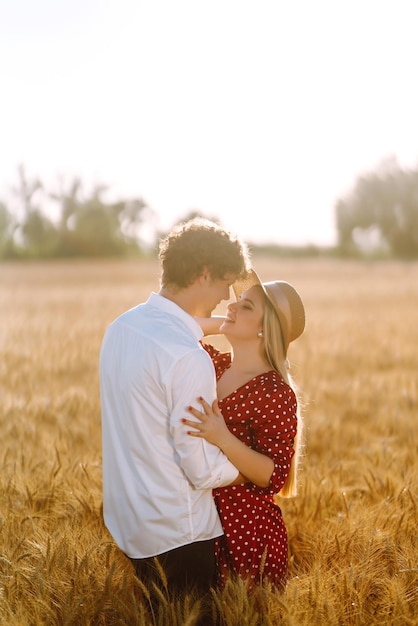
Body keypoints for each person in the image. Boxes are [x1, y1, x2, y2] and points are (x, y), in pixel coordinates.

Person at [99, 217, 251, 601]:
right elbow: (200, 470)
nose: (227, 296)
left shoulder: (121, 328)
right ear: (204, 274)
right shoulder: (188, 359)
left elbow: (173, 326)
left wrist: (220, 325)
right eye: (225, 282)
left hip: (133, 525)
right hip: (180, 533)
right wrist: (254, 471)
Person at [183, 269, 305, 589]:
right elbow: (178, 329)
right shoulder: (213, 363)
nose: (232, 307)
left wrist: (222, 436)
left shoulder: (274, 392)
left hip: (248, 535)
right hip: (200, 522)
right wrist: (229, 319)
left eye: (246, 307)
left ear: (266, 330)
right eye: (237, 301)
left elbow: (272, 475)